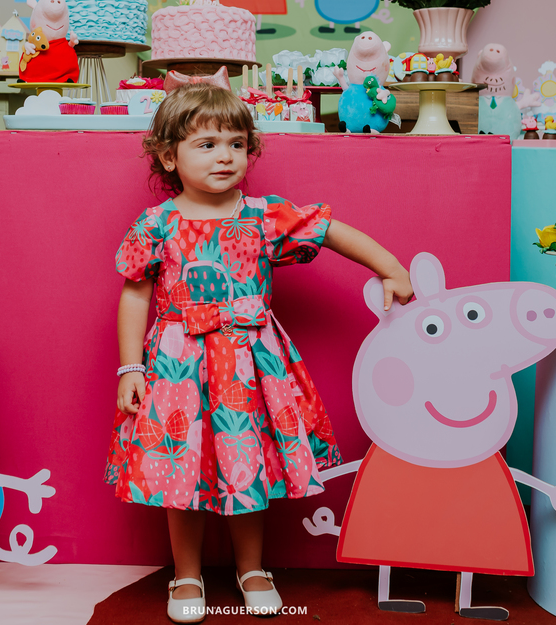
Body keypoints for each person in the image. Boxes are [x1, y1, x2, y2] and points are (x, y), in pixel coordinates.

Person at [106, 84, 413, 622]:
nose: (224, 155)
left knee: (245, 467)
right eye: (205, 144)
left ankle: (253, 569)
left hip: (250, 362)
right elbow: (134, 293)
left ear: (251, 150)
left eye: (236, 143)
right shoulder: (156, 224)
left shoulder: (264, 214)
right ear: (167, 155)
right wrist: (130, 367)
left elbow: (331, 229)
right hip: (179, 363)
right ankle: (186, 575)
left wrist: (390, 267)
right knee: (183, 471)